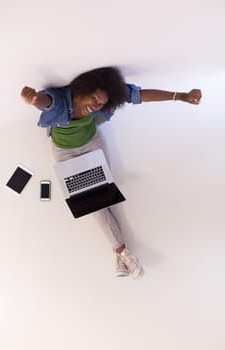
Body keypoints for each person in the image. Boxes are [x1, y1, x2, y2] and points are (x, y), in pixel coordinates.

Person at [21, 66, 202, 279]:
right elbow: (46, 101)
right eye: (94, 99)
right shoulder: (60, 99)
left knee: (102, 196)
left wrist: (180, 96)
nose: (96, 106)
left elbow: (138, 95)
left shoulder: (102, 100)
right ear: (82, 90)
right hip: (64, 153)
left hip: (92, 144)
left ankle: (121, 254)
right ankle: (122, 252)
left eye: (101, 104)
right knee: (91, 202)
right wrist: (35, 99)